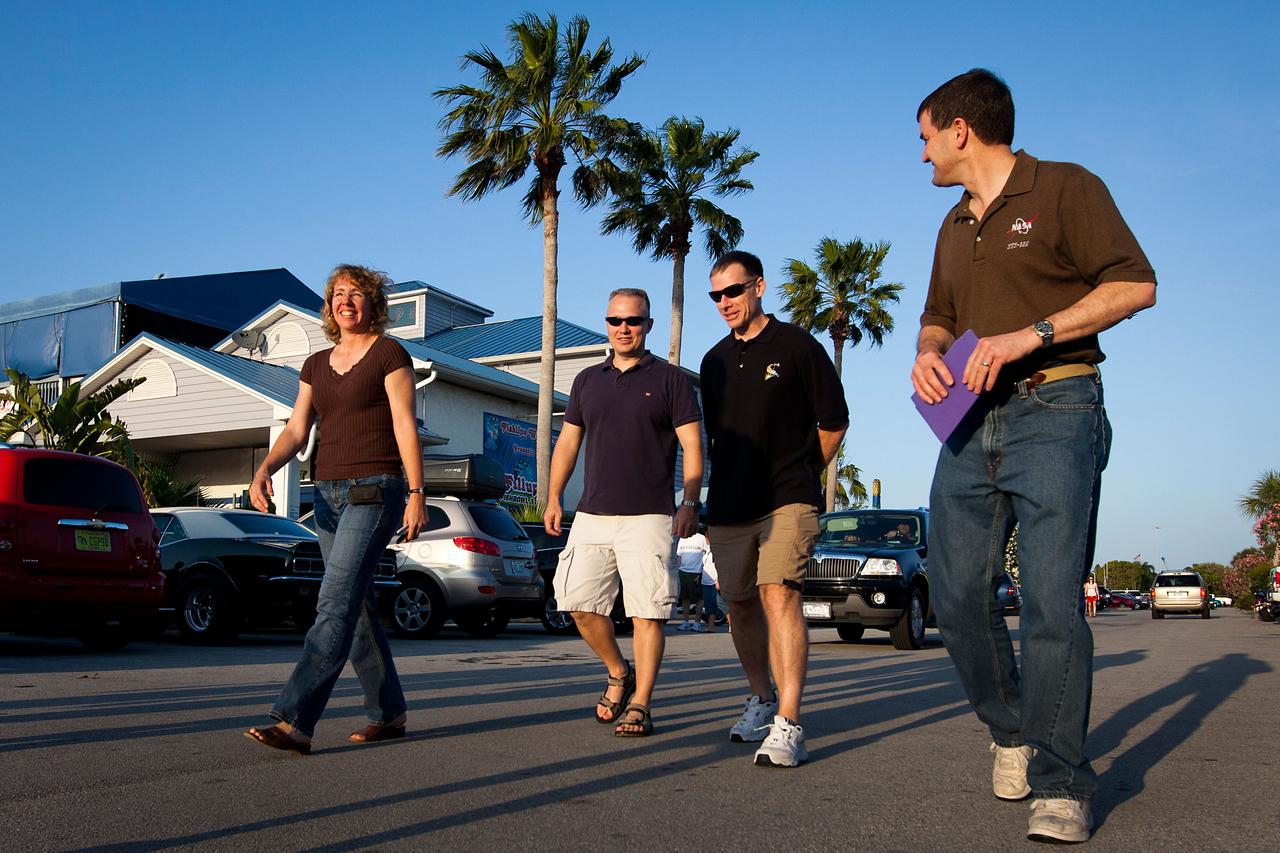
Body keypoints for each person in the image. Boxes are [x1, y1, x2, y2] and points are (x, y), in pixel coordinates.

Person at [911, 69, 1156, 843]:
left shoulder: (1067, 187)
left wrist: (1032, 334)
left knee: (1051, 602)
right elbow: (938, 319)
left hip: (1058, 404)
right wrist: (926, 353)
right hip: (967, 419)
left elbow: (1137, 284)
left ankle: (1060, 778)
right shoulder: (952, 226)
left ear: (960, 130)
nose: (922, 156)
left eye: (925, 137)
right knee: (952, 593)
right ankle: (1012, 729)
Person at [244, 264, 426, 754]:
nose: (347, 301)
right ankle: (389, 712)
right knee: (356, 606)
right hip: (325, 492)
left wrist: (416, 493)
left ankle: (295, 720)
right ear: (329, 305)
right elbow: (297, 428)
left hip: (376, 487)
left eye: (357, 293)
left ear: (373, 304)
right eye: (338, 294)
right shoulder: (315, 364)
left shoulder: (389, 353)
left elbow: (405, 425)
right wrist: (264, 469)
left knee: (334, 602)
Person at [700, 250, 849, 767]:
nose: (725, 303)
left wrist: (806, 475)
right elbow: (718, 435)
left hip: (788, 496)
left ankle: (789, 722)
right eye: (716, 295)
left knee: (777, 592)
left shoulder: (799, 347)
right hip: (729, 504)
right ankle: (761, 700)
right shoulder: (713, 360)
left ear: (758, 287)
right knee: (739, 603)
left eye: (733, 291)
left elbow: (833, 422)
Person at [544, 287, 703, 738]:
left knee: (647, 612)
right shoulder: (587, 381)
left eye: (633, 321)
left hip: (650, 516)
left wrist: (688, 502)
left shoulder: (670, 379)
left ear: (648, 325)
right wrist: (555, 497)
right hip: (592, 513)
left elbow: (693, 445)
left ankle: (640, 703)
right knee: (575, 601)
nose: (623, 328)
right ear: (607, 324)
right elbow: (569, 443)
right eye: (615, 321)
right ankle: (618, 669)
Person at [675, 530, 708, 631]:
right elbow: (679, 556)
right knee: (685, 598)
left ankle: (697, 623)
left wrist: (702, 570)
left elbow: (707, 554)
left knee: (699, 599)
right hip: (683, 572)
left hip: (696, 573)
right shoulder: (682, 539)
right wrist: (677, 571)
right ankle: (685, 622)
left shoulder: (701, 538)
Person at [700, 536, 723, 632]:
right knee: (709, 606)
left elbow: (720, 566)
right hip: (705, 582)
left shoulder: (717, 550)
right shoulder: (707, 550)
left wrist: (718, 580)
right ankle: (711, 627)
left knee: (721, 605)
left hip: (714, 582)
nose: (706, 540)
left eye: (707, 538)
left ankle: (732, 626)